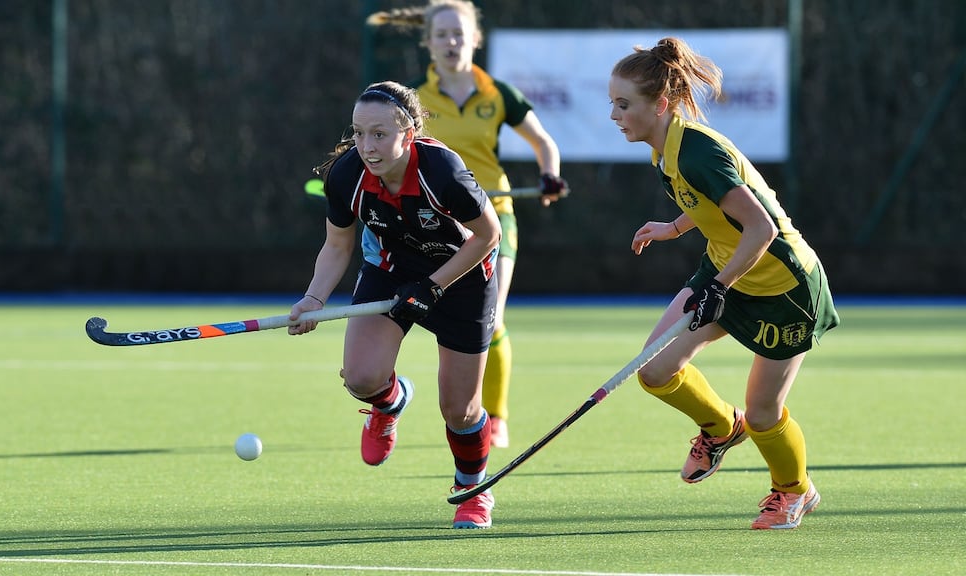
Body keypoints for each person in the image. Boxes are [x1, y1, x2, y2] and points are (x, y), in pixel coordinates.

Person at [609, 37, 840, 530]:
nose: (614, 114)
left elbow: (762, 227)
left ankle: (794, 490)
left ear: (662, 105)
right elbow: (709, 203)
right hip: (725, 271)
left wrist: (719, 283)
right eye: (613, 103)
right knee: (654, 371)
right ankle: (719, 426)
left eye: (624, 104)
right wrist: (673, 227)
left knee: (763, 414)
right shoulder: (663, 149)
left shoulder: (696, 153)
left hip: (783, 287)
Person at [287, 80, 502, 529]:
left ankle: (471, 488)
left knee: (459, 409)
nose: (367, 145)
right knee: (362, 377)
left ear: (409, 131)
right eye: (359, 133)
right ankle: (390, 402)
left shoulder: (442, 171)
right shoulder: (347, 175)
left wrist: (433, 287)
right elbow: (337, 246)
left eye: (380, 134)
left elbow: (488, 236)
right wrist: (313, 297)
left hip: (462, 276)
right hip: (392, 270)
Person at [367, 0, 568, 448]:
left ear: (475, 38)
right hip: (432, 224)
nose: (451, 42)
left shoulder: (497, 94)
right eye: (441, 35)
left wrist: (549, 174)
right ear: (428, 43)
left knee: (492, 317)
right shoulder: (415, 99)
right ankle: (392, 396)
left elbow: (543, 142)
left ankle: (494, 415)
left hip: (494, 218)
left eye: (459, 33)